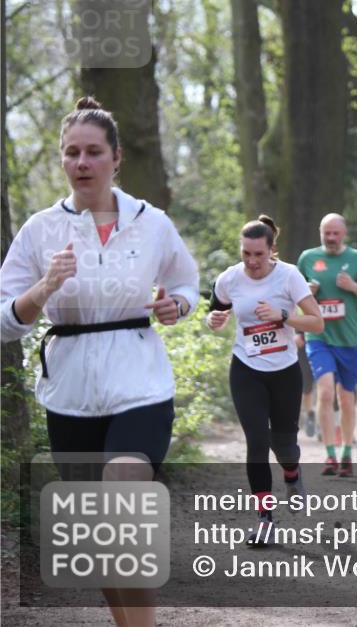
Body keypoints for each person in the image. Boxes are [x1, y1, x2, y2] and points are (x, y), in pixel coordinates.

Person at [0, 97, 199, 627]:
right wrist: (44, 287)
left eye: (92, 151)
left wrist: (175, 304)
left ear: (116, 158)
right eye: (71, 153)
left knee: (122, 492)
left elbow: (185, 282)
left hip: (140, 381)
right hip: (69, 389)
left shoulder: (150, 222)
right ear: (61, 161)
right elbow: (5, 318)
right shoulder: (41, 230)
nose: (81, 162)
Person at [205, 216, 323, 544]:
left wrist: (283, 315)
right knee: (257, 443)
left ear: (272, 250)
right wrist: (212, 319)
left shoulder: (289, 276)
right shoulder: (229, 279)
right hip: (246, 369)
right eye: (246, 254)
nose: (252, 262)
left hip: (284, 371)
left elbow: (317, 323)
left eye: (259, 254)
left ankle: (292, 472)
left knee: (284, 446)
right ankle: (264, 519)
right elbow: (216, 311)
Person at [297, 213, 357, 477]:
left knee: (346, 398)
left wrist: (353, 286)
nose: (331, 238)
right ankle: (329, 454)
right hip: (319, 337)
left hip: (350, 339)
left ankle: (346, 453)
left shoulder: (356, 259)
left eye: (335, 233)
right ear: (320, 233)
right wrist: (307, 294)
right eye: (326, 233)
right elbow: (293, 297)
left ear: (344, 234)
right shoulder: (307, 258)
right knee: (325, 392)